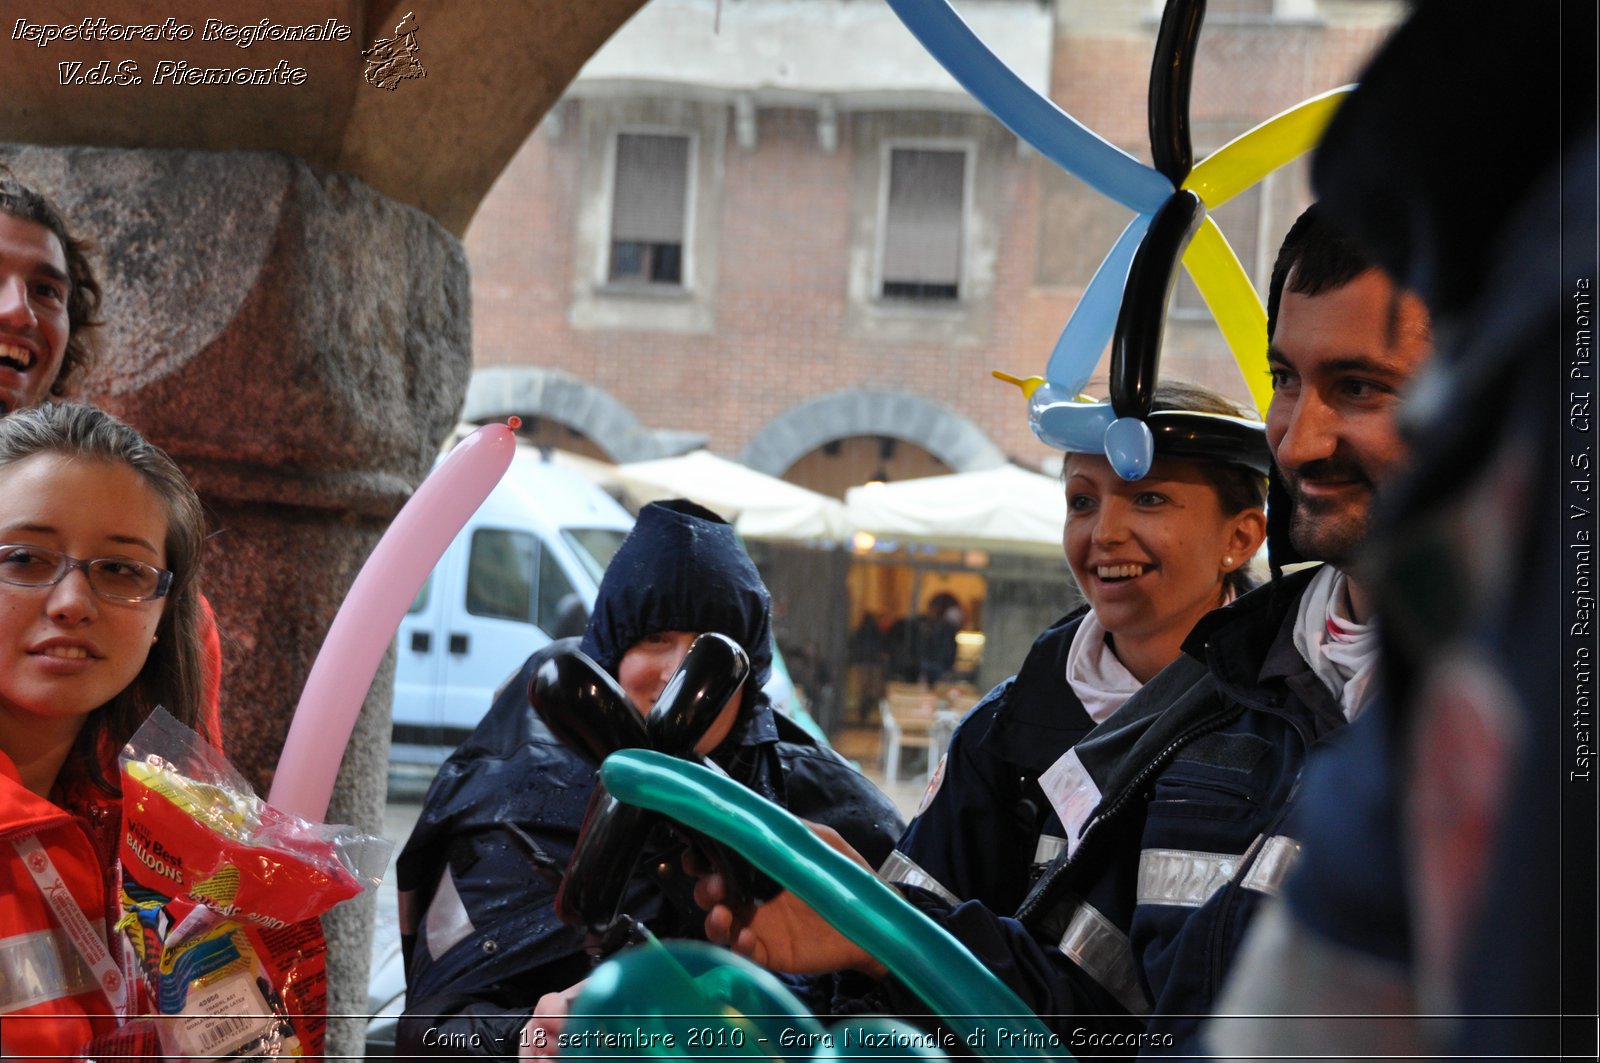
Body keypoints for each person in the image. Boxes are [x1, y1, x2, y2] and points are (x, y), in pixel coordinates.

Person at [697, 206, 1434, 1052]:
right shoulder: (1205, 702)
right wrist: (872, 924)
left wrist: (884, 930)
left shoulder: (1526, 706)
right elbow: (1105, 1013)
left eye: (1360, 387)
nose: (1299, 442)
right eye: (1286, 381)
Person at [394, 498, 904, 1058]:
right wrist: (529, 1034)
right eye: (655, 639)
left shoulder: (821, 806)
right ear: (611, 653)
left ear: (750, 673)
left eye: (710, 650)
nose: (677, 674)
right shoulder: (511, 799)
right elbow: (430, 1029)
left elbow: (919, 1005)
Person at [880, 380, 1269, 921]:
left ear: (1241, 539)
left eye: (1148, 497)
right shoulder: (998, 733)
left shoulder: (1294, 722)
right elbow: (913, 946)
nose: (1104, 532)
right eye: (1082, 501)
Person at [0, 402, 211, 1061]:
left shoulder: (162, 842)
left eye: (121, 570)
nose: (70, 602)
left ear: (162, 616)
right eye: (27, 558)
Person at [0, 170, 222, 740]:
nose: (18, 312)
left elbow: (186, 796)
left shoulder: (164, 604)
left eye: (46, 290)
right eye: (23, 560)